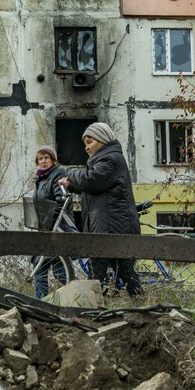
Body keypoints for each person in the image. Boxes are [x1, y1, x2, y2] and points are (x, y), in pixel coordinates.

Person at [59, 122, 143, 297]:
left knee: (95, 273)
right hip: (111, 227)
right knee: (124, 272)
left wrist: (72, 173)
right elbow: (96, 190)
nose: (86, 147)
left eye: (90, 142)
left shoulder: (109, 160)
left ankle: (92, 308)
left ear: (102, 140)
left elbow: (92, 181)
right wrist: (72, 186)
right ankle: (140, 302)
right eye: (85, 144)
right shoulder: (107, 159)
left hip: (110, 228)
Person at [31, 145, 76, 298]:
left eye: (46, 158)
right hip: (46, 229)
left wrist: (51, 222)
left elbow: (61, 202)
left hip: (57, 227)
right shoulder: (40, 178)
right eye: (40, 158)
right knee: (40, 267)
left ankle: (76, 297)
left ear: (53, 160)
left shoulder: (58, 174)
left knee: (59, 271)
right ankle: (41, 303)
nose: (43, 161)